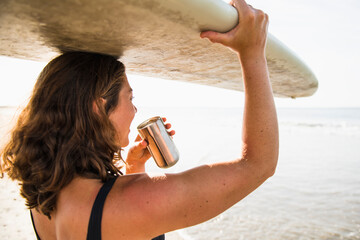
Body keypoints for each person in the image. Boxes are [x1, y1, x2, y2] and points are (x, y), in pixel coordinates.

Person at [0, 0, 278, 239]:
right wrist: (252, 52)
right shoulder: (135, 203)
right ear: (98, 108)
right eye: (130, 99)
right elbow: (257, 164)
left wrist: (134, 168)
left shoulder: (41, 195)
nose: (135, 111)